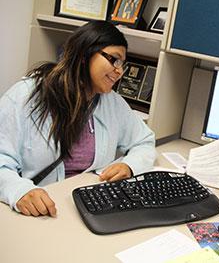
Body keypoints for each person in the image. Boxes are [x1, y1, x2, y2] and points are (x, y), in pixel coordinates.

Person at [0, 21, 156, 218]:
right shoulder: (25, 96)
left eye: (122, 64)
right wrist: (18, 190)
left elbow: (144, 142)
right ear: (84, 55)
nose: (120, 71)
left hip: (92, 206)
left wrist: (129, 165)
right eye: (114, 60)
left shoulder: (113, 103)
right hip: (41, 210)